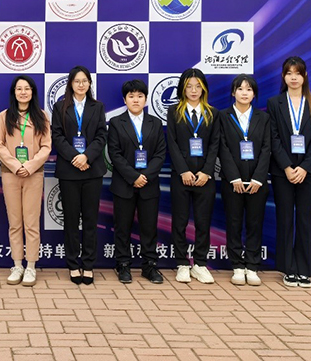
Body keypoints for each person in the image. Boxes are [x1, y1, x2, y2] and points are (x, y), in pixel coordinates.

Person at [267, 56, 311, 288]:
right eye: (289, 73)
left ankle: (304, 269)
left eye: (298, 73)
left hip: (309, 172)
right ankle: (288, 269)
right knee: (285, 219)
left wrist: (303, 167)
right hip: (283, 172)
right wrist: (288, 167)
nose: (293, 77)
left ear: (305, 76)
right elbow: (273, 138)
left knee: (304, 220)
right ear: (283, 76)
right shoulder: (275, 103)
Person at [0, 75, 51, 287]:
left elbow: (46, 146)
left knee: (31, 222)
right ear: (14, 92)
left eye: (27, 88)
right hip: (11, 174)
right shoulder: (4, 116)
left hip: (33, 174)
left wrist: (30, 165)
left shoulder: (41, 116)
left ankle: (31, 266)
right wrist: (16, 165)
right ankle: (17, 265)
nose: (23, 92)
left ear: (32, 92)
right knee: (15, 222)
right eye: (19, 89)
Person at [107, 79, 167, 285]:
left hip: (149, 184)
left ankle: (149, 265)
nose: (135, 100)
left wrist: (145, 176)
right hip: (124, 183)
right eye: (131, 96)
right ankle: (123, 264)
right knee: (122, 227)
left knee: (149, 227)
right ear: (125, 100)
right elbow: (114, 154)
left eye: (140, 96)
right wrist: (133, 176)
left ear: (146, 99)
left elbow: (160, 154)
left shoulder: (155, 123)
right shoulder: (116, 122)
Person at [51, 65, 107, 285]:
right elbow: (57, 136)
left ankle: (89, 264)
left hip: (92, 170)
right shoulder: (60, 107)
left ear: (89, 83)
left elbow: (101, 135)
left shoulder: (97, 106)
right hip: (69, 170)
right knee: (71, 221)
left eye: (85, 81)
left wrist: (87, 157)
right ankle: (73, 265)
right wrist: (75, 157)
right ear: (71, 84)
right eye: (77, 81)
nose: (81, 85)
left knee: (91, 220)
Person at [166, 68, 220, 284]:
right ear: (182, 88)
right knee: (179, 221)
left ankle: (200, 264)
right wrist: (183, 171)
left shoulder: (212, 113)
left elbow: (215, 144)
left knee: (203, 222)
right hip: (181, 176)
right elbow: (172, 143)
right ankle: (181, 263)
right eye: (189, 86)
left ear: (204, 88)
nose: (194, 90)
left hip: (205, 177)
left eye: (198, 86)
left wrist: (206, 171)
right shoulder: (174, 111)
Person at [218, 74, 271, 287]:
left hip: (257, 182)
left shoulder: (263, 118)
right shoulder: (223, 116)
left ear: (254, 94)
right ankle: (237, 267)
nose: (244, 93)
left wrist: (258, 178)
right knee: (233, 223)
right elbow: (222, 148)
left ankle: (252, 266)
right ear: (233, 92)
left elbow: (267, 148)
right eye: (240, 89)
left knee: (254, 224)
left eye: (249, 89)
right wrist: (234, 177)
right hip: (233, 181)